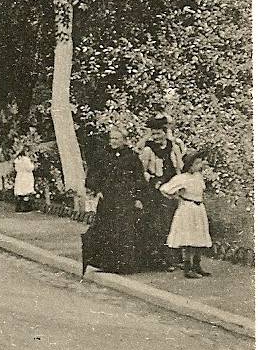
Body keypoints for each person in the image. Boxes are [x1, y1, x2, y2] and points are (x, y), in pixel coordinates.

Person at [81, 126, 149, 275]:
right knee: (107, 229)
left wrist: (138, 197)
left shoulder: (131, 157)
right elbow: (93, 175)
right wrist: (97, 190)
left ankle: (125, 264)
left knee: (125, 230)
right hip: (108, 199)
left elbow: (138, 178)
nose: (113, 141)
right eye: (111, 138)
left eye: (117, 139)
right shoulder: (103, 155)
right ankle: (108, 263)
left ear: (124, 140)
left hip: (126, 199)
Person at [139, 115, 183, 270]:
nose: (156, 137)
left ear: (165, 132)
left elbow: (179, 169)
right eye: (154, 134)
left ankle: (176, 258)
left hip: (172, 190)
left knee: (174, 223)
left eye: (159, 133)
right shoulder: (148, 150)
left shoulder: (174, 147)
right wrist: (155, 184)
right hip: (155, 192)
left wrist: (178, 186)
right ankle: (162, 259)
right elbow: (142, 172)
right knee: (158, 225)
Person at [160, 151, 212, 277]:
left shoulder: (199, 177)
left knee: (199, 236)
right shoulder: (182, 178)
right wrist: (175, 196)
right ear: (190, 165)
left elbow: (201, 189)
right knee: (188, 238)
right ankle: (187, 268)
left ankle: (197, 265)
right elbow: (164, 189)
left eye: (200, 162)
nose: (200, 165)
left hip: (199, 208)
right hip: (187, 209)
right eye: (197, 163)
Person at [13, 145, 36, 212]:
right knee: (26, 191)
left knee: (20, 191)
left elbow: (16, 168)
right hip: (26, 176)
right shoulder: (26, 159)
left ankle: (18, 207)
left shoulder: (18, 159)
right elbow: (29, 168)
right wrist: (33, 164)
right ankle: (25, 207)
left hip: (20, 176)